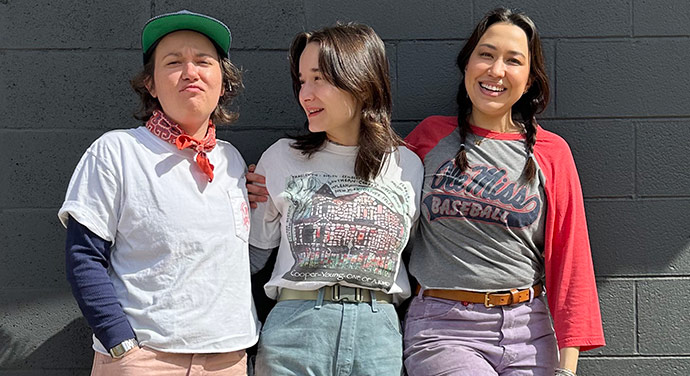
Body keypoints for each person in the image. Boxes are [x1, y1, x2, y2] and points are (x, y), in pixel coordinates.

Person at [402, 8, 605, 376]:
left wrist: (567, 369)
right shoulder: (428, 138)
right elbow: (370, 189)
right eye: (486, 54)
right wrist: (268, 186)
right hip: (443, 329)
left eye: (513, 61)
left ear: (528, 80)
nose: (496, 71)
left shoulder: (551, 151)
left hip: (531, 331)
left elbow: (570, 260)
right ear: (467, 64)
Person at [59, 10, 258, 375]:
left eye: (203, 61)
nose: (190, 71)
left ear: (223, 82)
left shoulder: (231, 161)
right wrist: (121, 345)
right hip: (145, 360)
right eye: (173, 62)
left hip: (227, 360)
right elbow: (83, 257)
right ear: (150, 84)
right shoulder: (116, 152)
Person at [247, 23, 423, 375]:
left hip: (379, 336)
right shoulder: (281, 158)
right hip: (293, 331)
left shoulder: (407, 166)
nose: (305, 94)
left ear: (359, 80)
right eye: (301, 81)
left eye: (318, 79)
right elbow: (250, 258)